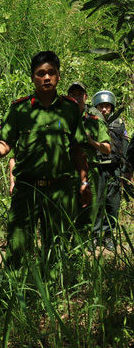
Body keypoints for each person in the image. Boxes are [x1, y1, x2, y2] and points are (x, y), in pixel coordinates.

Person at [0, 51, 91, 268]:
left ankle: (55, 295)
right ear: (32, 77)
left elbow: (77, 148)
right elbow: (5, 143)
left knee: (57, 246)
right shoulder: (19, 109)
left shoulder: (70, 108)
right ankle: (16, 292)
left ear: (58, 76)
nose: (46, 77)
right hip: (27, 189)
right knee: (18, 245)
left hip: (60, 190)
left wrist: (84, 182)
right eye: (40, 73)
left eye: (51, 73)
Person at [67, 82, 111, 248]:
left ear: (86, 96)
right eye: (73, 94)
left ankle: (77, 252)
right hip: (68, 172)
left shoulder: (94, 119)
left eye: (80, 94)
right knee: (67, 213)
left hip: (91, 172)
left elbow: (107, 149)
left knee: (87, 214)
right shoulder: (63, 117)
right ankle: (62, 252)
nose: (76, 97)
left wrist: (92, 142)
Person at [91, 90, 129, 250]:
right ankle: (93, 235)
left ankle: (108, 236)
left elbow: (126, 148)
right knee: (96, 203)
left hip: (114, 170)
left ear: (112, 107)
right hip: (97, 169)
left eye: (107, 106)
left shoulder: (119, 124)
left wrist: (126, 171)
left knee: (112, 204)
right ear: (96, 107)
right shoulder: (91, 122)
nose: (104, 110)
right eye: (101, 106)